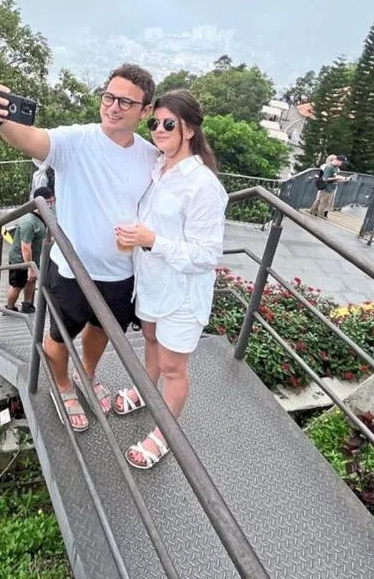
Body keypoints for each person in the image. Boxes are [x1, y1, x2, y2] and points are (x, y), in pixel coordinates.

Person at [0, 63, 159, 432]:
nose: (114, 106)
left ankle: (88, 375)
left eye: (126, 102)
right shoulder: (76, 140)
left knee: (104, 329)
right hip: (71, 269)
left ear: (145, 111)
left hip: (123, 272)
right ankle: (63, 386)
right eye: (109, 96)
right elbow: (30, 138)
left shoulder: (150, 156)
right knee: (60, 335)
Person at [110, 91, 228, 469]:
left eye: (168, 124)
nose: (159, 130)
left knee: (174, 368)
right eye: (154, 123)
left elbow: (206, 256)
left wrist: (151, 240)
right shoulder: (158, 168)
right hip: (152, 284)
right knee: (149, 340)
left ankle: (164, 434)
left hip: (181, 294)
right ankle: (147, 391)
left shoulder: (203, 186)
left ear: (189, 130)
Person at [6, 186, 55, 314]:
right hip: (20, 259)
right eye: (48, 203)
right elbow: (25, 247)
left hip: (35, 257)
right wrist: (30, 267)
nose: (51, 205)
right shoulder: (29, 222)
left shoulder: (46, 215)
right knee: (17, 285)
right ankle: (9, 308)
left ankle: (27, 304)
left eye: (52, 202)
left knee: (32, 280)